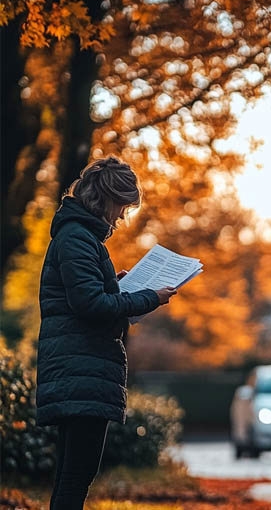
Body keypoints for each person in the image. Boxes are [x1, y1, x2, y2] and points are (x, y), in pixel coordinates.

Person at [35, 156, 177, 510]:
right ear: (104, 200)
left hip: (80, 368)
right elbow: (90, 305)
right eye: (120, 207)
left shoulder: (80, 238)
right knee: (77, 476)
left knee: (73, 475)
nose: (121, 217)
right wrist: (148, 297)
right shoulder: (77, 239)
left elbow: (87, 295)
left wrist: (118, 286)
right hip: (79, 369)